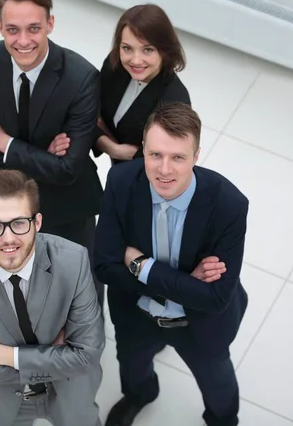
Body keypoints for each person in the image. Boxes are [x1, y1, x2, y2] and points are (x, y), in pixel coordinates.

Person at [93, 102, 248, 426]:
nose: (164, 169)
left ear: (196, 155)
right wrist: (184, 282)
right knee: (132, 366)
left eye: (178, 157)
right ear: (144, 151)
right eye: (155, 155)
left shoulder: (228, 205)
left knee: (217, 382)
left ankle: (223, 420)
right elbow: (104, 266)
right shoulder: (121, 181)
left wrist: (141, 264)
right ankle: (141, 395)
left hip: (199, 324)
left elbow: (216, 298)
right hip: (137, 313)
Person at [0, 0, 105, 306]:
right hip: (8, 200)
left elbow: (68, 169)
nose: (23, 41)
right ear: (0, 27)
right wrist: (42, 155)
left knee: (81, 286)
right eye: (12, 29)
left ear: (50, 24)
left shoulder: (82, 77)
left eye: (34, 28)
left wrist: (7, 145)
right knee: (18, 285)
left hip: (67, 204)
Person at [0, 169, 105, 426]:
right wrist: (56, 358)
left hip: (69, 392)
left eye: (18, 223)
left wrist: (6, 356)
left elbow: (86, 355)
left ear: (37, 222)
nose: (8, 239)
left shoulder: (74, 259)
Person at [95, 4, 190, 166]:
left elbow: (161, 160)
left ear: (165, 50)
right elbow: (88, 109)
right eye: (127, 48)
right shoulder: (115, 65)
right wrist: (113, 148)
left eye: (147, 50)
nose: (135, 60)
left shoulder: (175, 102)